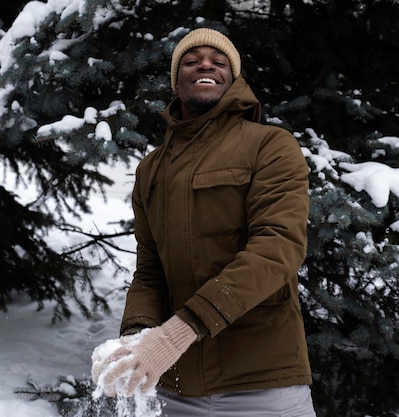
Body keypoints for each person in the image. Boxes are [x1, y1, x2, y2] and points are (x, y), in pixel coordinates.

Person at [91, 27, 316, 416]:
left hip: (261, 384)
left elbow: (277, 247)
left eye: (219, 61)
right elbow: (150, 270)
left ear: (233, 78)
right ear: (177, 84)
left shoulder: (270, 145)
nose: (205, 65)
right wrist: (135, 339)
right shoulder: (151, 169)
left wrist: (178, 333)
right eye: (191, 61)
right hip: (173, 390)